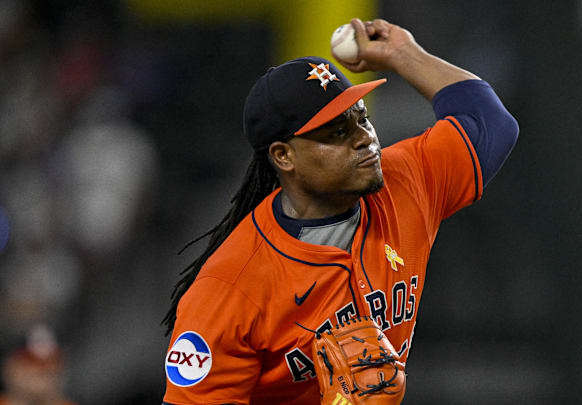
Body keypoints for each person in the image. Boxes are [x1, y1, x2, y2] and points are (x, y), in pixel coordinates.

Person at [162, 18, 518, 404]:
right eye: (336, 132)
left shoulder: (404, 182)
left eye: (361, 118)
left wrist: (403, 54)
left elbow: (491, 123)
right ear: (284, 156)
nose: (364, 138)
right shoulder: (230, 288)